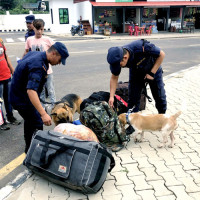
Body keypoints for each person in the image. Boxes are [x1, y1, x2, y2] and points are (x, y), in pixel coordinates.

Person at [10, 42, 69, 153]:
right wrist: (43, 114)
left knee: (30, 121)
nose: (59, 63)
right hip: (22, 99)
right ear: (54, 53)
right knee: (37, 122)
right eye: (60, 60)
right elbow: (31, 91)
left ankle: (29, 148)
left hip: (18, 95)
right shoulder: (38, 65)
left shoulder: (36, 55)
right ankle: (34, 152)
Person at [107, 39, 167, 114]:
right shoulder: (117, 58)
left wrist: (151, 73)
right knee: (133, 100)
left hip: (153, 69)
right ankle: (132, 122)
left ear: (125, 58)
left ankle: (162, 118)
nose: (118, 67)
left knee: (159, 97)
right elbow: (114, 78)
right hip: (136, 72)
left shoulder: (141, 47)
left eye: (119, 65)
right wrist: (111, 96)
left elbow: (162, 54)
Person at [23, 19, 56, 109]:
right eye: (37, 29)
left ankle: (54, 108)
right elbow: (26, 52)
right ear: (33, 28)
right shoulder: (29, 40)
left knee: (50, 90)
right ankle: (43, 109)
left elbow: (56, 50)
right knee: (40, 91)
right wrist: (22, 62)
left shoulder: (47, 39)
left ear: (43, 28)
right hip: (36, 71)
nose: (39, 31)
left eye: (41, 29)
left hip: (48, 71)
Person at [0, 38, 21, 130]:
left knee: (9, 99)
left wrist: (12, 69)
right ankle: (1, 121)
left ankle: (10, 117)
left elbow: (5, 56)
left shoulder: (0, 41)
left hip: (7, 75)